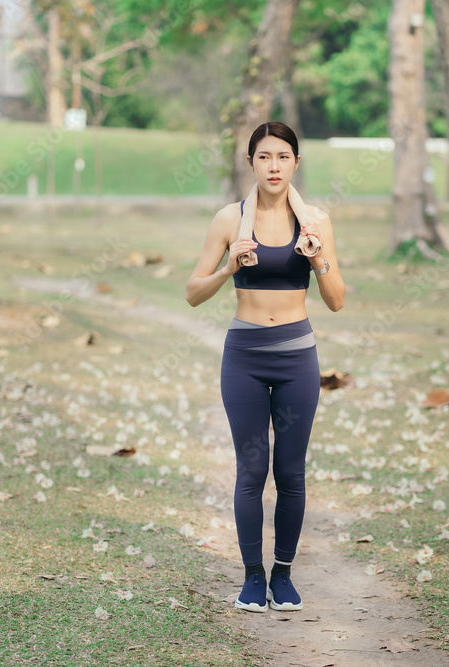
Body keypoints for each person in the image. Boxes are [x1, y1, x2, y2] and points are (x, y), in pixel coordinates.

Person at [185, 121, 345, 612]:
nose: (273, 166)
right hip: (245, 360)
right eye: (264, 157)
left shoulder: (315, 221)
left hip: (297, 358)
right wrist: (229, 267)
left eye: (282, 157)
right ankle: (253, 577)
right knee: (252, 469)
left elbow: (336, 300)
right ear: (250, 163)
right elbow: (193, 293)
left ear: (296, 162)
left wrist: (316, 259)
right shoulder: (228, 219)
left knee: (291, 471)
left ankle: (284, 574)